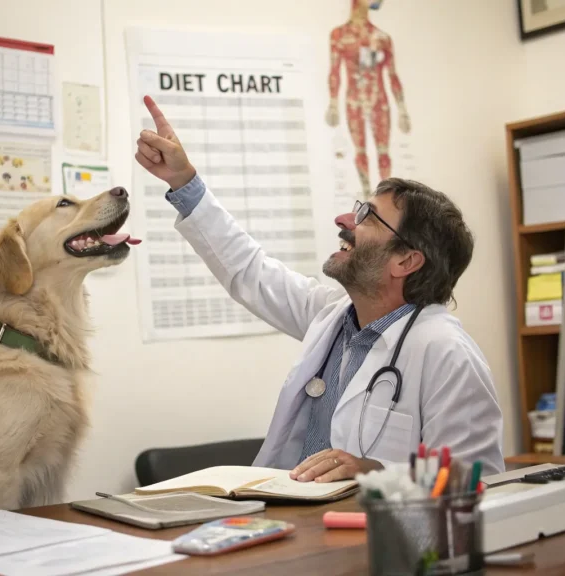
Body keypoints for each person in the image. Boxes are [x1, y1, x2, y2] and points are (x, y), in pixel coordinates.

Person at [135, 96, 504, 481]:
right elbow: (248, 269)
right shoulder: (332, 315)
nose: (344, 219)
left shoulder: (445, 351)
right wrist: (183, 181)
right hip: (292, 518)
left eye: (367, 216)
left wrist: (374, 471)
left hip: (373, 534)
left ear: (406, 261)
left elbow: (481, 479)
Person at [326, 0, 410, 198]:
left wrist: (402, 110)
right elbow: (334, 72)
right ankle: (367, 201)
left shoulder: (382, 38)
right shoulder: (339, 35)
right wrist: (333, 104)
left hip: (379, 102)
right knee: (360, 152)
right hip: (354, 102)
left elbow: (392, 75)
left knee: (383, 153)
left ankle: (384, 202)